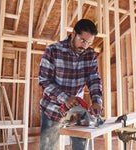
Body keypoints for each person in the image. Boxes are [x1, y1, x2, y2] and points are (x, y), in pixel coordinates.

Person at [38, 19, 103, 150]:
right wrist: (65, 98)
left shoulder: (90, 54)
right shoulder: (53, 50)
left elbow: (94, 79)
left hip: (77, 110)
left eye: (89, 42)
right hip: (53, 110)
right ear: (73, 34)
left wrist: (97, 101)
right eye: (83, 41)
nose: (85, 46)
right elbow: (44, 80)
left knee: (81, 146)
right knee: (47, 147)